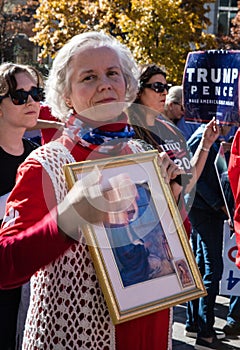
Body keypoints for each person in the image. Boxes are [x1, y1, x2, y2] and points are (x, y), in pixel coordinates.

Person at [0, 31, 185, 350]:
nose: (105, 84)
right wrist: (67, 221)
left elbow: (173, 252)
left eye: (113, 73)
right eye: (89, 77)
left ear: (127, 85)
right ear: (66, 96)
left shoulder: (143, 155)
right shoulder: (47, 164)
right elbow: (6, 266)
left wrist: (174, 202)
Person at [128, 63, 220, 237]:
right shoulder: (128, 133)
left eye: (166, 87)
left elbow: (187, 181)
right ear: (138, 91)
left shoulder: (168, 128)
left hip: (177, 225)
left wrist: (205, 145)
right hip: (149, 232)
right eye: (157, 87)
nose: (164, 92)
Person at [0, 62, 43, 349]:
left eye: (35, 93)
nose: (30, 101)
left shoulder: (37, 157)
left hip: (29, 289)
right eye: (19, 96)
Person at [186, 123, 233, 350]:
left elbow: (219, 172)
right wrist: (221, 206)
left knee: (203, 266)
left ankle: (194, 323)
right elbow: (196, 179)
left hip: (208, 209)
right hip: (204, 210)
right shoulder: (201, 137)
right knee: (212, 268)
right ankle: (205, 332)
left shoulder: (215, 135)